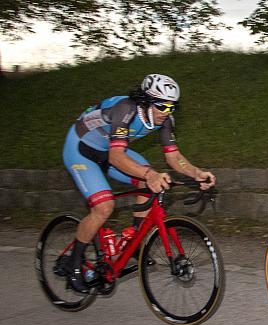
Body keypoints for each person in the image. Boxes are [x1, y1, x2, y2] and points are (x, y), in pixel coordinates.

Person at [62, 73, 216, 293]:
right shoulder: (126, 109)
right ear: (146, 101)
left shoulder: (165, 119)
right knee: (105, 206)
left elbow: (173, 157)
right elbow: (117, 157)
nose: (167, 112)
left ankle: (132, 242)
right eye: (162, 106)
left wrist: (196, 173)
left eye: (172, 107)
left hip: (109, 150)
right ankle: (73, 264)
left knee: (149, 181)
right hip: (81, 150)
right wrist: (149, 175)